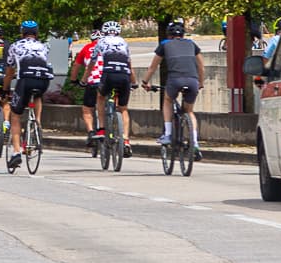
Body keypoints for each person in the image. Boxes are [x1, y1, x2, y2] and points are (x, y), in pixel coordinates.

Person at [141, 20, 205, 160]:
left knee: (168, 100)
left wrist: (145, 82)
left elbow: (153, 67)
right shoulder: (192, 44)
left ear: (169, 34)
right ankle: (195, 143)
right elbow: (201, 67)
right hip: (192, 80)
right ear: (183, 34)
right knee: (189, 111)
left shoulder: (164, 45)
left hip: (175, 80)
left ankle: (168, 134)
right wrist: (200, 82)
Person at [3, 20, 51, 169]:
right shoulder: (43, 46)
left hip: (25, 80)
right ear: (36, 33)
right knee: (37, 96)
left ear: (22, 32)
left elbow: (10, 71)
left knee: (15, 115)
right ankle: (37, 123)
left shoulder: (15, 46)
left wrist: (5, 89)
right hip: (44, 79)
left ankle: (16, 153)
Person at [86, 21, 138, 156]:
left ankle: (102, 129)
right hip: (124, 76)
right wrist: (134, 82)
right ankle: (126, 140)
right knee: (124, 108)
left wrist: (84, 79)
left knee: (101, 97)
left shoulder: (101, 42)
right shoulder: (124, 43)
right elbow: (129, 65)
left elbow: (92, 63)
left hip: (108, 75)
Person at [69, 29, 104, 144]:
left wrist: (73, 80)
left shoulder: (86, 48)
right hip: (109, 80)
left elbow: (76, 65)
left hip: (93, 82)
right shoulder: (110, 47)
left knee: (87, 108)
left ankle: (91, 133)